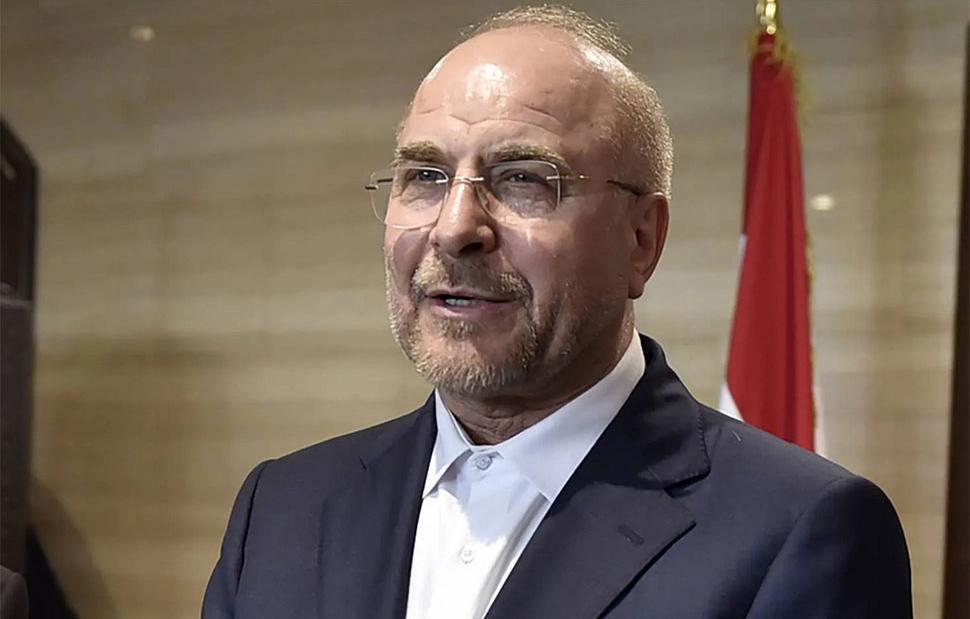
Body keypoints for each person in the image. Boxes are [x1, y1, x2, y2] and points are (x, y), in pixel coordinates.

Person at [203, 6, 912, 618]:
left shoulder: (800, 531)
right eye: (426, 176)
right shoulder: (282, 506)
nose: (455, 228)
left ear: (642, 241)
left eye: (523, 179)